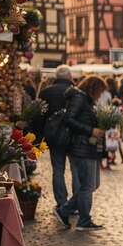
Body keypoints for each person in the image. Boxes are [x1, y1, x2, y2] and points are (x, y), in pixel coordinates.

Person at [55, 76, 107, 232]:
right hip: (81, 147)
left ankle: (65, 211)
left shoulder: (85, 100)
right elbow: (68, 120)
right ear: (93, 88)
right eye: (100, 91)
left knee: (90, 185)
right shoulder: (79, 98)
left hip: (87, 148)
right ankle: (83, 219)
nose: (100, 95)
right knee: (87, 186)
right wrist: (90, 130)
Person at [39, 65, 75, 215]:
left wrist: (40, 136)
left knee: (58, 170)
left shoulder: (46, 92)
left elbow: (39, 116)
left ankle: (61, 202)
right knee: (75, 170)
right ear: (69, 77)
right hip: (73, 135)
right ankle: (75, 203)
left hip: (54, 136)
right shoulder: (75, 92)